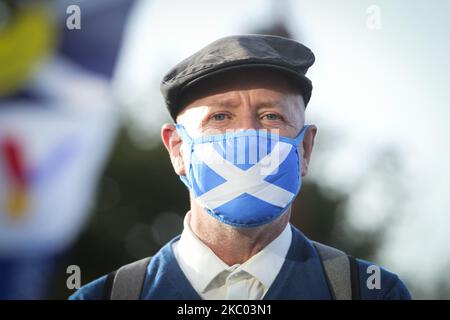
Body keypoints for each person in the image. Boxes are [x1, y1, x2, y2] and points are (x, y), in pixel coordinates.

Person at [70, 35, 412, 300]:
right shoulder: (105, 297)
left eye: (271, 116)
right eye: (220, 117)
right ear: (177, 148)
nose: (248, 134)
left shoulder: (372, 293)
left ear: (305, 149)